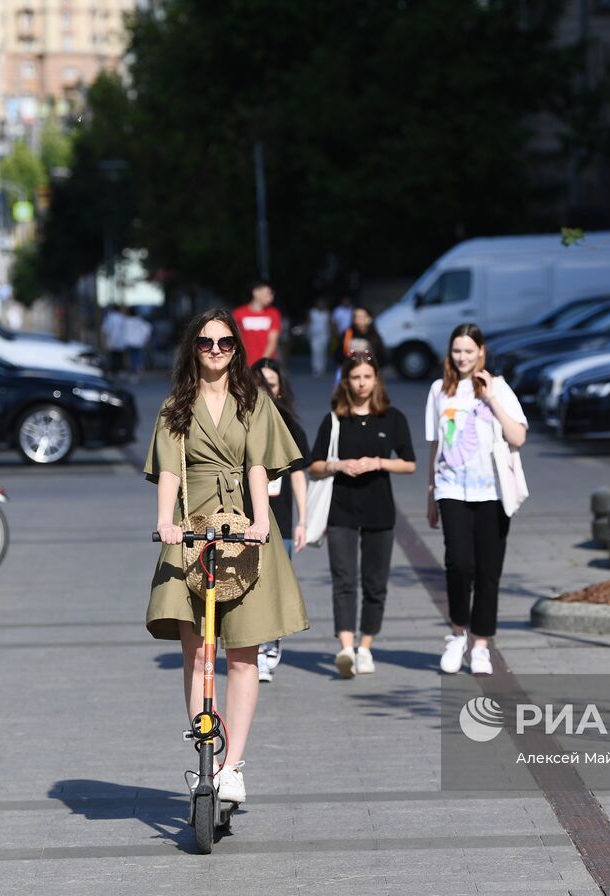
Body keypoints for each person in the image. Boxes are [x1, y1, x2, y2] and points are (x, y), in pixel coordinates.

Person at [144, 309, 309, 807]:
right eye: (205, 343)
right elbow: (171, 471)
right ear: (192, 348)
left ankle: (233, 764)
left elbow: (258, 466)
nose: (215, 350)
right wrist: (165, 520)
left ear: (237, 349)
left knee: (244, 656)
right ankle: (204, 757)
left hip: (244, 531)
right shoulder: (177, 405)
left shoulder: (252, 400)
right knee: (196, 652)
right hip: (192, 527)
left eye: (224, 343)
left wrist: (263, 520)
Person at [425, 324, 527, 675]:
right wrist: (429, 492)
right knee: (459, 564)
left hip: (493, 492)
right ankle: (457, 634)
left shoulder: (498, 388)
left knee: (488, 571)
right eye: (457, 351)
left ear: (481, 351)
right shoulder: (439, 390)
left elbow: (518, 435)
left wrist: (491, 399)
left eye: (469, 351)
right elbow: (435, 445)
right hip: (451, 488)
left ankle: (481, 644)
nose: (463, 357)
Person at [310, 353, 416, 678]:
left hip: (379, 510)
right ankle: (345, 647)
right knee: (343, 580)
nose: (361, 383)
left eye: (367, 377)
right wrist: (337, 465)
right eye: (355, 377)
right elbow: (313, 466)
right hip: (341, 509)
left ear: (376, 380)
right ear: (346, 381)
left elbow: (409, 463)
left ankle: (365, 647)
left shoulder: (392, 418)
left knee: (375, 583)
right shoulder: (335, 420)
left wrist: (379, 463)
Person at [250, 357, 310, 683]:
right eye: (259, 384)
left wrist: (304, 520)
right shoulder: (241, 422)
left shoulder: (290, 427)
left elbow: (299, 476)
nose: (265, 390)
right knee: (251, 582)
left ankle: (270, 643)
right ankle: (256, 648)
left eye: (270, 384)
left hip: (282, 519)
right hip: (246, 520)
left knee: (274, 583)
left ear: (280, 388)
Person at [232, 280, 282, 366]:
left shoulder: (274, 313)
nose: (271, 297)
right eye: (268, 293)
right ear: (256, 292)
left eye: (272, 294)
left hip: (266, 363)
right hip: (244, 363)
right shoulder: (238, 313)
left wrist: (262, 362)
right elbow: (234, 338)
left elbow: (273, 341)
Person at [334, 305, 388, 372]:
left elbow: (382, 358)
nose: (358, 319)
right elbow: (337, 355)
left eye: (361, 317)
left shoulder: (374, 337)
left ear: (369, 319)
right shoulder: (347, 334)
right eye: (355, 316)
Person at [123, 309, 154, 384]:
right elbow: (148, 328)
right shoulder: (140, 321)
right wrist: (145, 339)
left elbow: (124, 331)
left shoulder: (126, 321)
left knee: (131, 358)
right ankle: (137, 371)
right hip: (139, 342)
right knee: (137, 357)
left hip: (129, 342)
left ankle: (133, 373)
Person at [307, 298, 332, 378]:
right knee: (315, 351)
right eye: (319, 303)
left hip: (324, 335)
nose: (321, 305)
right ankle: (316, 368)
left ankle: (322, 368)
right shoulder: (312, 312)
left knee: (323, 352)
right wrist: (307, 332)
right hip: (314, 335)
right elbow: (309, 322)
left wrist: (330, 334)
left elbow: (329, 324)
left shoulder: (326, 313)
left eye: (322, 303)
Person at [101, 305, 128, 377]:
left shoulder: (109, 317)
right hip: (120, 341)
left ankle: (112, 371)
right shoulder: (122, 317)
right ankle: (119, 370)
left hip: (111, 340)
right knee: (119, 356)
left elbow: (105, 329)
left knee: (112, 356)